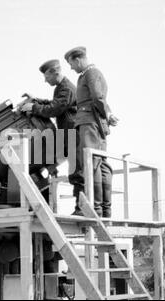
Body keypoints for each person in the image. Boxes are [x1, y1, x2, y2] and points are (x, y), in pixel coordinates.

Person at [64, 46, 118, 217]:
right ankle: (102, 209)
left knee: (91, 162)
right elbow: (99, 98)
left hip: (89, 122)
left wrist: (106, 115)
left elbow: (98, 97)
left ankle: (95, 208)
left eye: (71, 63)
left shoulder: (90, 73)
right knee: (100, 164)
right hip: (93, 122)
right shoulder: (88, 75)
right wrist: (107, 115)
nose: (71, 68)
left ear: (77, 59)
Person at [19, 59, 77, 160]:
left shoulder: (66, 88)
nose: (45, 80)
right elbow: (54, 103)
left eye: (47, 77)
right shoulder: (61, 87)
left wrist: (33, 107)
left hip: (73, 135)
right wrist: (36, 100)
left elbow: (54, 109)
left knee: (78, 170)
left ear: (56, 73)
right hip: (70, 134)